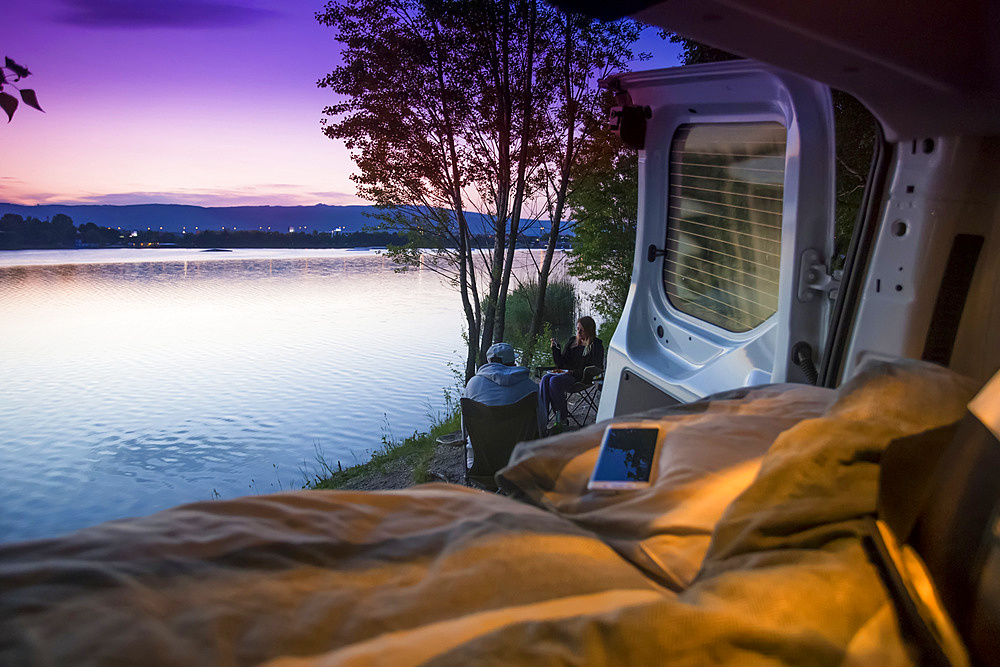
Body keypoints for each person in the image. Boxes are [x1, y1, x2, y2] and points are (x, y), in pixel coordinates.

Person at [462, 342, 544, 469]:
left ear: (489, 362)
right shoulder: (530, 387)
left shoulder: (473, 384)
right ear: (513, 363)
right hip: (521, 462)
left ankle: (491, 485)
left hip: (480, 464)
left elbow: (465, 427)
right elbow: (542, 424)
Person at [539, 316, 604, 430]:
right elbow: (561, 364)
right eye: (577, 328)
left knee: (554, 381)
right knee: (545, 379)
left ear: (589, 330)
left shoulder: (596, 345)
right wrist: (555, 349)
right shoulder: (572, 341)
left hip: (581, 378)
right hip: (565, 374)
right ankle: (542, 417)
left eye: (582, 330)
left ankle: (562, 419)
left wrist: (572, 372)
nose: (578, 332)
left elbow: (597, 367)